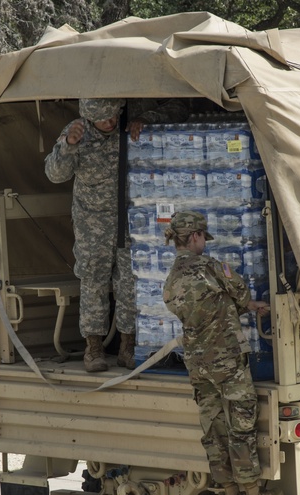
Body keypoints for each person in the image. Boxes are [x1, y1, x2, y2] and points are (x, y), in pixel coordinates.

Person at [45, 97, 186, 372]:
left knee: (130, 283)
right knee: (93, 282)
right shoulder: (77, 131)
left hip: (130, 222)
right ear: (89, 117)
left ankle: (128, 346)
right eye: (103, 118)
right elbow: (54, 173)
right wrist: (68, 145)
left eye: (113, 115)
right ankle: (94, 348)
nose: (110, 122)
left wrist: (145, 120)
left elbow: (179, 109)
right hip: (92, 226)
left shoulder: (128, 123)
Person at [162, 211, 282, 495]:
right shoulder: (211, 267)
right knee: (240, 425)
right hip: (227, 361)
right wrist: (248, 303)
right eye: (203, 236)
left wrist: (239, 306)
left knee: (213, 430)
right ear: (195, 236)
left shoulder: (171, 278)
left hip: (197, 364)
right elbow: (239, 292)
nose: (204, 242)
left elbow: (202, 307)